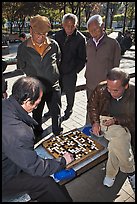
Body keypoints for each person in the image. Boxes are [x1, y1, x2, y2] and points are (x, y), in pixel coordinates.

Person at [2, 76, 74, 202]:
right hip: (5, 177)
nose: (38, 105)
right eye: (38, 101)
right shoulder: (19, 132)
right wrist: (62, 161)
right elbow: (35, 167)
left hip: (8, 160)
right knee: (46, 183)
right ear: (28, 101)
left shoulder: (5, 105)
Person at [88, 68, 135, 192]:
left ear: (125, 86)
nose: (110, 92)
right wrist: (95, 122)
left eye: (115, 90)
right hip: (105, 119)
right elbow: (92, 106)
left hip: (127, 123)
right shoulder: (101, 88)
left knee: (116, 144)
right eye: (108, 88)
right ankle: (131, 171)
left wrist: (116, 120)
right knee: (121, 136)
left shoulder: (134, 92)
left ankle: (110, 174)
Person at [17, 15, 63, 141]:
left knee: (56, 111)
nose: (40, 37)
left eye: (44, 34)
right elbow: (21, 65)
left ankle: (57, 130)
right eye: (37, 33)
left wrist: (52, 74)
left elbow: (58, 60)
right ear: (31, 30)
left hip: (53, 86)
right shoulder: (23, 48)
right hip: (36, 88)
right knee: (37, 113)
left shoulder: (54, 45)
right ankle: (37, 132)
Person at [85, 14, 121, 124]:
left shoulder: (112, 44)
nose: (93, 33)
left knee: (104, 110)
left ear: (102, 26)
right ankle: (88, 127)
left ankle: (103, 129)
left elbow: (116, 65)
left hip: (106, 85)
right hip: (90, 83)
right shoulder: (88, 43)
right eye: (90, 31)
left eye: (95, 29)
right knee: (91, 107)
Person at [54, 13, 87, 121]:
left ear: (76, 25)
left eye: (72, 26)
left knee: (70, 94)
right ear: (63, 25)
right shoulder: (58, 35)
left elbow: (82, 59)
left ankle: (69, 110)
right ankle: (53, 110)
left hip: (70, 72)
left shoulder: (80, 39)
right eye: (67, 26)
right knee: (56, 93)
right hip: (58, 71)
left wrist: (75, 71)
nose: (69, 28)